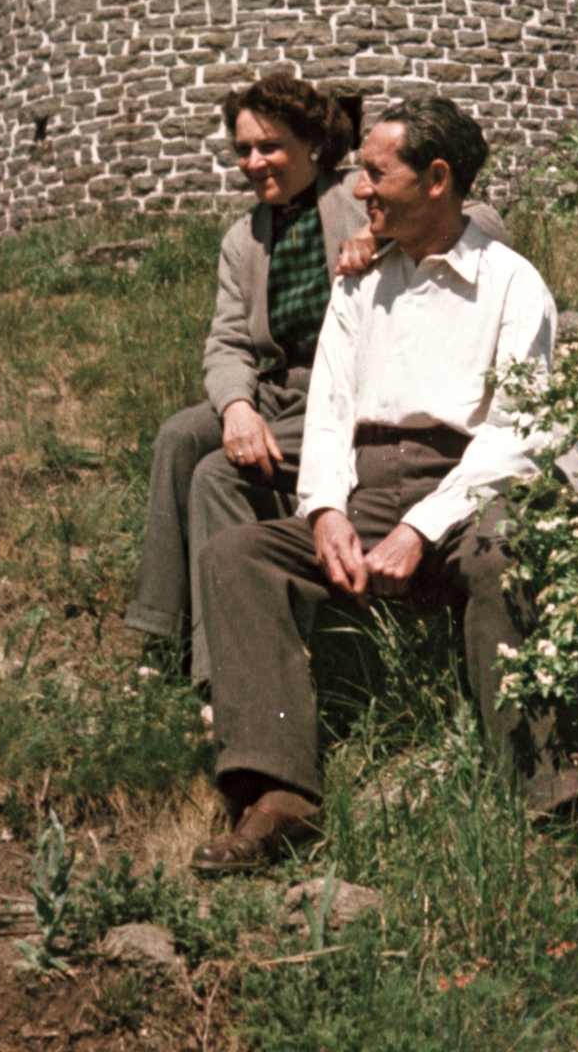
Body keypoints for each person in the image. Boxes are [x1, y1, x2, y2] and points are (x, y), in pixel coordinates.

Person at [189, 94, 578, 873]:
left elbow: (515, 430)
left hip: (472, 489)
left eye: (374, 173)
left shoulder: (511, 285)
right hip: (365, 487)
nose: (358, 190)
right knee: (237, 557)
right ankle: (280, 797)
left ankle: (546, 805)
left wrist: (419, 529)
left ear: (436, 178)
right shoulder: (362, 284)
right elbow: (330, 410)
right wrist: (327, 510)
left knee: (502, 560)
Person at [124, 75, 506, 684]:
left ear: (312, 144)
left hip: (338, 392)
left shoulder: (362, 195)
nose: (253, 162)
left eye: (268, 146)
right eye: (242, 150)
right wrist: (236, 409)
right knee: (180, 435)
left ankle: (220, 667)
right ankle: (159, 634)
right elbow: (227, 342)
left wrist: (375, 233)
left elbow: (479, 217)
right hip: (272, 392)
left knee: (218, 473)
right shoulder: (243, 238)